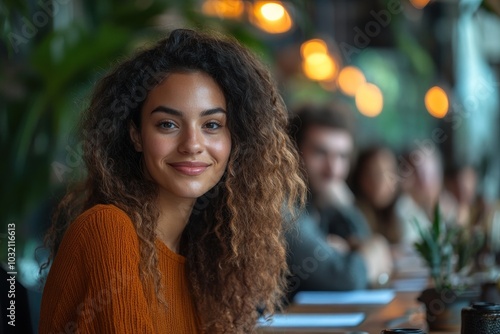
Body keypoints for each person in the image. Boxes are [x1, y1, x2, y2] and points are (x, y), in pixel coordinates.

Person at [39, 28, 306, 333]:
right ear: (136, 135)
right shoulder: (109, 231)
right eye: (167, 124)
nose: (192, 144)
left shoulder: (204, 257)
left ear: (236, 139)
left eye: (212, 125)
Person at [286, 103, 393, 297]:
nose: (333, 170)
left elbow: (371, 248)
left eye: (342, 156)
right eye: (320, 153)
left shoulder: (324, 203)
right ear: (293, 153)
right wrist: (357, 255)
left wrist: (346, 208)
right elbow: (345, 276)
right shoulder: (284, 205)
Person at [349, 145, 403, 244]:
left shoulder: (401, 214)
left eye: (390, 173)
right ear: (359, 177)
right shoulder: (350, 216)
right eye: (374, 173)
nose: (382, 182)